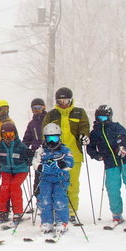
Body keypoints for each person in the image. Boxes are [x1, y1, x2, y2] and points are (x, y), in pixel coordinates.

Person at [87, 105, 126, 226]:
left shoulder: (116, 126)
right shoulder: (95, 133)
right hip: (110, 162)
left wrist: (121, 143)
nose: (102, 121)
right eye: (99, 118)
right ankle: (116, 213)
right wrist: (97, 155)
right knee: (112, 188)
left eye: (104, 117)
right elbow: (90, 148)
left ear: (110, 117)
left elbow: (123, 134)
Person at [42, 87, 90, 224]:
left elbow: (85, 127)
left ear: (71, 100)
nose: (63, 103)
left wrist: (84, 136)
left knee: (73, 184)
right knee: (56, 183)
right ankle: (55, 210)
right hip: (56, 154)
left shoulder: (79, 112)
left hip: (74, 154)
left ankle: (70, 210)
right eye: (60, 101)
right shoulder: (52, 114)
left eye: (66, 100)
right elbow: (44, 131)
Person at [32, 123, 75, 235]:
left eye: (54, 138)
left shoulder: (64, 150)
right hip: (45, 180)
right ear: (45, 138)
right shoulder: (41, 150)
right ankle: (47, 222)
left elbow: (70, 163)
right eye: (49, 138)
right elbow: (35, 162)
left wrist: (62, 165)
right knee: (45, 200)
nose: (52, 142)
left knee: (60, 199)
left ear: (59, 137)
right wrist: (40, 167)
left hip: (60, 179)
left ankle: (62, 222)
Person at [0, 122, 31, 224]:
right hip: (6, 170)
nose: (8, 138)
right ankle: (3, 211)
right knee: (4, 188)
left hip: (20, 170)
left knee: (14, 186)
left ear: (15, 134)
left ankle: (18, 212)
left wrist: (29, 156)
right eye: (5, 135)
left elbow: (29, 159)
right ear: (2, 136)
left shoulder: (20, 146)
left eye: (11, 135)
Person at [22, 98, 47, 199]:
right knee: (37, 178)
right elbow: (27, 139)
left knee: (48, 177)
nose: (37, 110)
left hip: (48, 152)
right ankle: (39, 200)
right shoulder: (32, 124)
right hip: (37, 154)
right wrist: (24, 150)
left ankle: (49, 201)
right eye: (34, 108)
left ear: (43, 108)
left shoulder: (48, 120)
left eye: (39, 108)